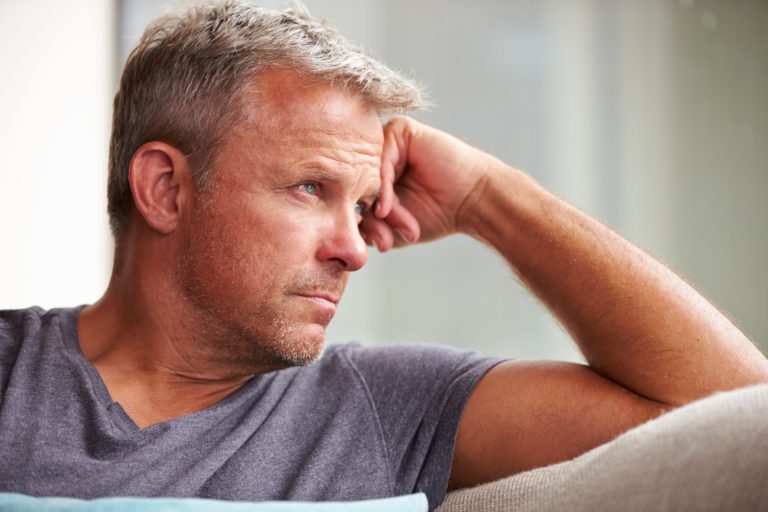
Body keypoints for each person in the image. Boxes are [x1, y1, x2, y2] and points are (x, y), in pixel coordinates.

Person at [1, 1, 767, 510]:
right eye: (310, 188)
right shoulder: (11, 377)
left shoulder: (389, 407)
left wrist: (488, 198)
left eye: (365, 207)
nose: (355, 249)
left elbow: (738, 417)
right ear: (166, 188)